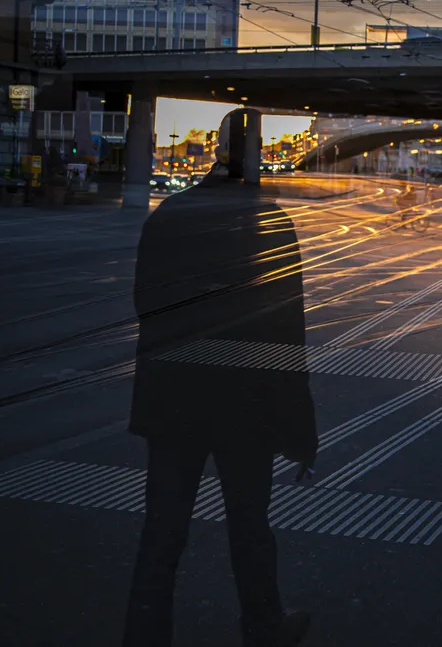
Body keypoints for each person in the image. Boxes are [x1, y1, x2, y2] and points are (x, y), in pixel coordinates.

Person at [124, 109, 318, 647]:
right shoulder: (270, 220)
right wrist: (300, 431)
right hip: (245, 402)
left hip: (174, 398)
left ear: (217, 149)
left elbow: (146, 305)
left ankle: (143, 634)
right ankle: (263, 625)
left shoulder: (169, 214)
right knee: (250, 525)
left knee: (162, 531)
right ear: (254, 158)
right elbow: (287, 334)